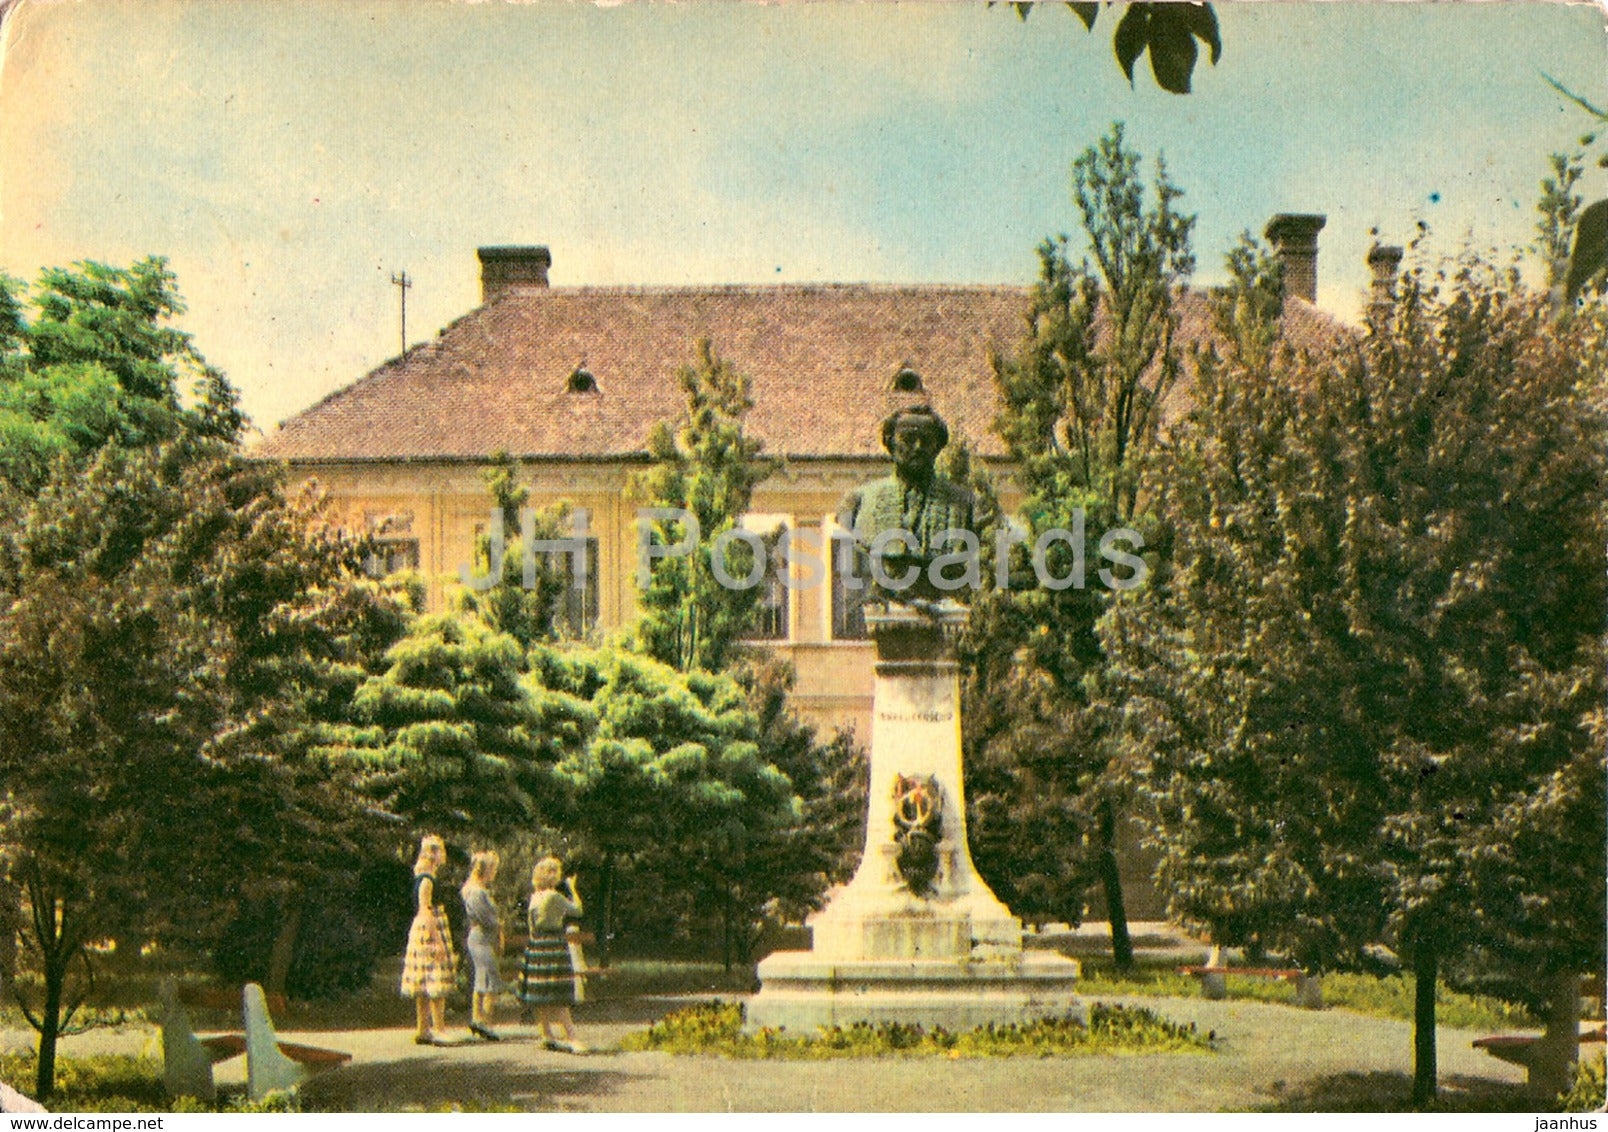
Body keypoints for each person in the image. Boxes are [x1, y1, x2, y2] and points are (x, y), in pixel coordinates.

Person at [837, 403, 977, 604]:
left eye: (926, 440)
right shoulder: (858, 500)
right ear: (890, 443)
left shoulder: (964, 503)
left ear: (938, 447)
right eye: (908, 439)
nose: (918, 447)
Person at [518, 856, 586, 1052]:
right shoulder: (554, 896)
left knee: (541, 992)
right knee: (560, 993)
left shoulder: (535, 897)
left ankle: (546, 1034)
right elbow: (577, 910)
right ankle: (572, 1038)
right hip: (554, 944)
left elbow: (531, 926)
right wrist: (572, 889)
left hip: (537, 944)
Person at [399, 834, 456, 1045]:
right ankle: (438, 1029)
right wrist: (437, 940)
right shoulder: (427, 881)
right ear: (434, 854)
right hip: (430, 926)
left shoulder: (422, 876)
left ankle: (423, 1028)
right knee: (435, 978)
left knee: (423, 980)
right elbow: (426, 910)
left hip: (422, 928)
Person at [460, 849, 506, 1041]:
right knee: (489, 978)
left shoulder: (473, 888)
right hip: (482, 936)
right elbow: (486, 918)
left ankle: (477, 1018)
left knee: (482, 978)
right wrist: (499, 925)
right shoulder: (477, 891)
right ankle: (485, 1021)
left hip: (479, 936)